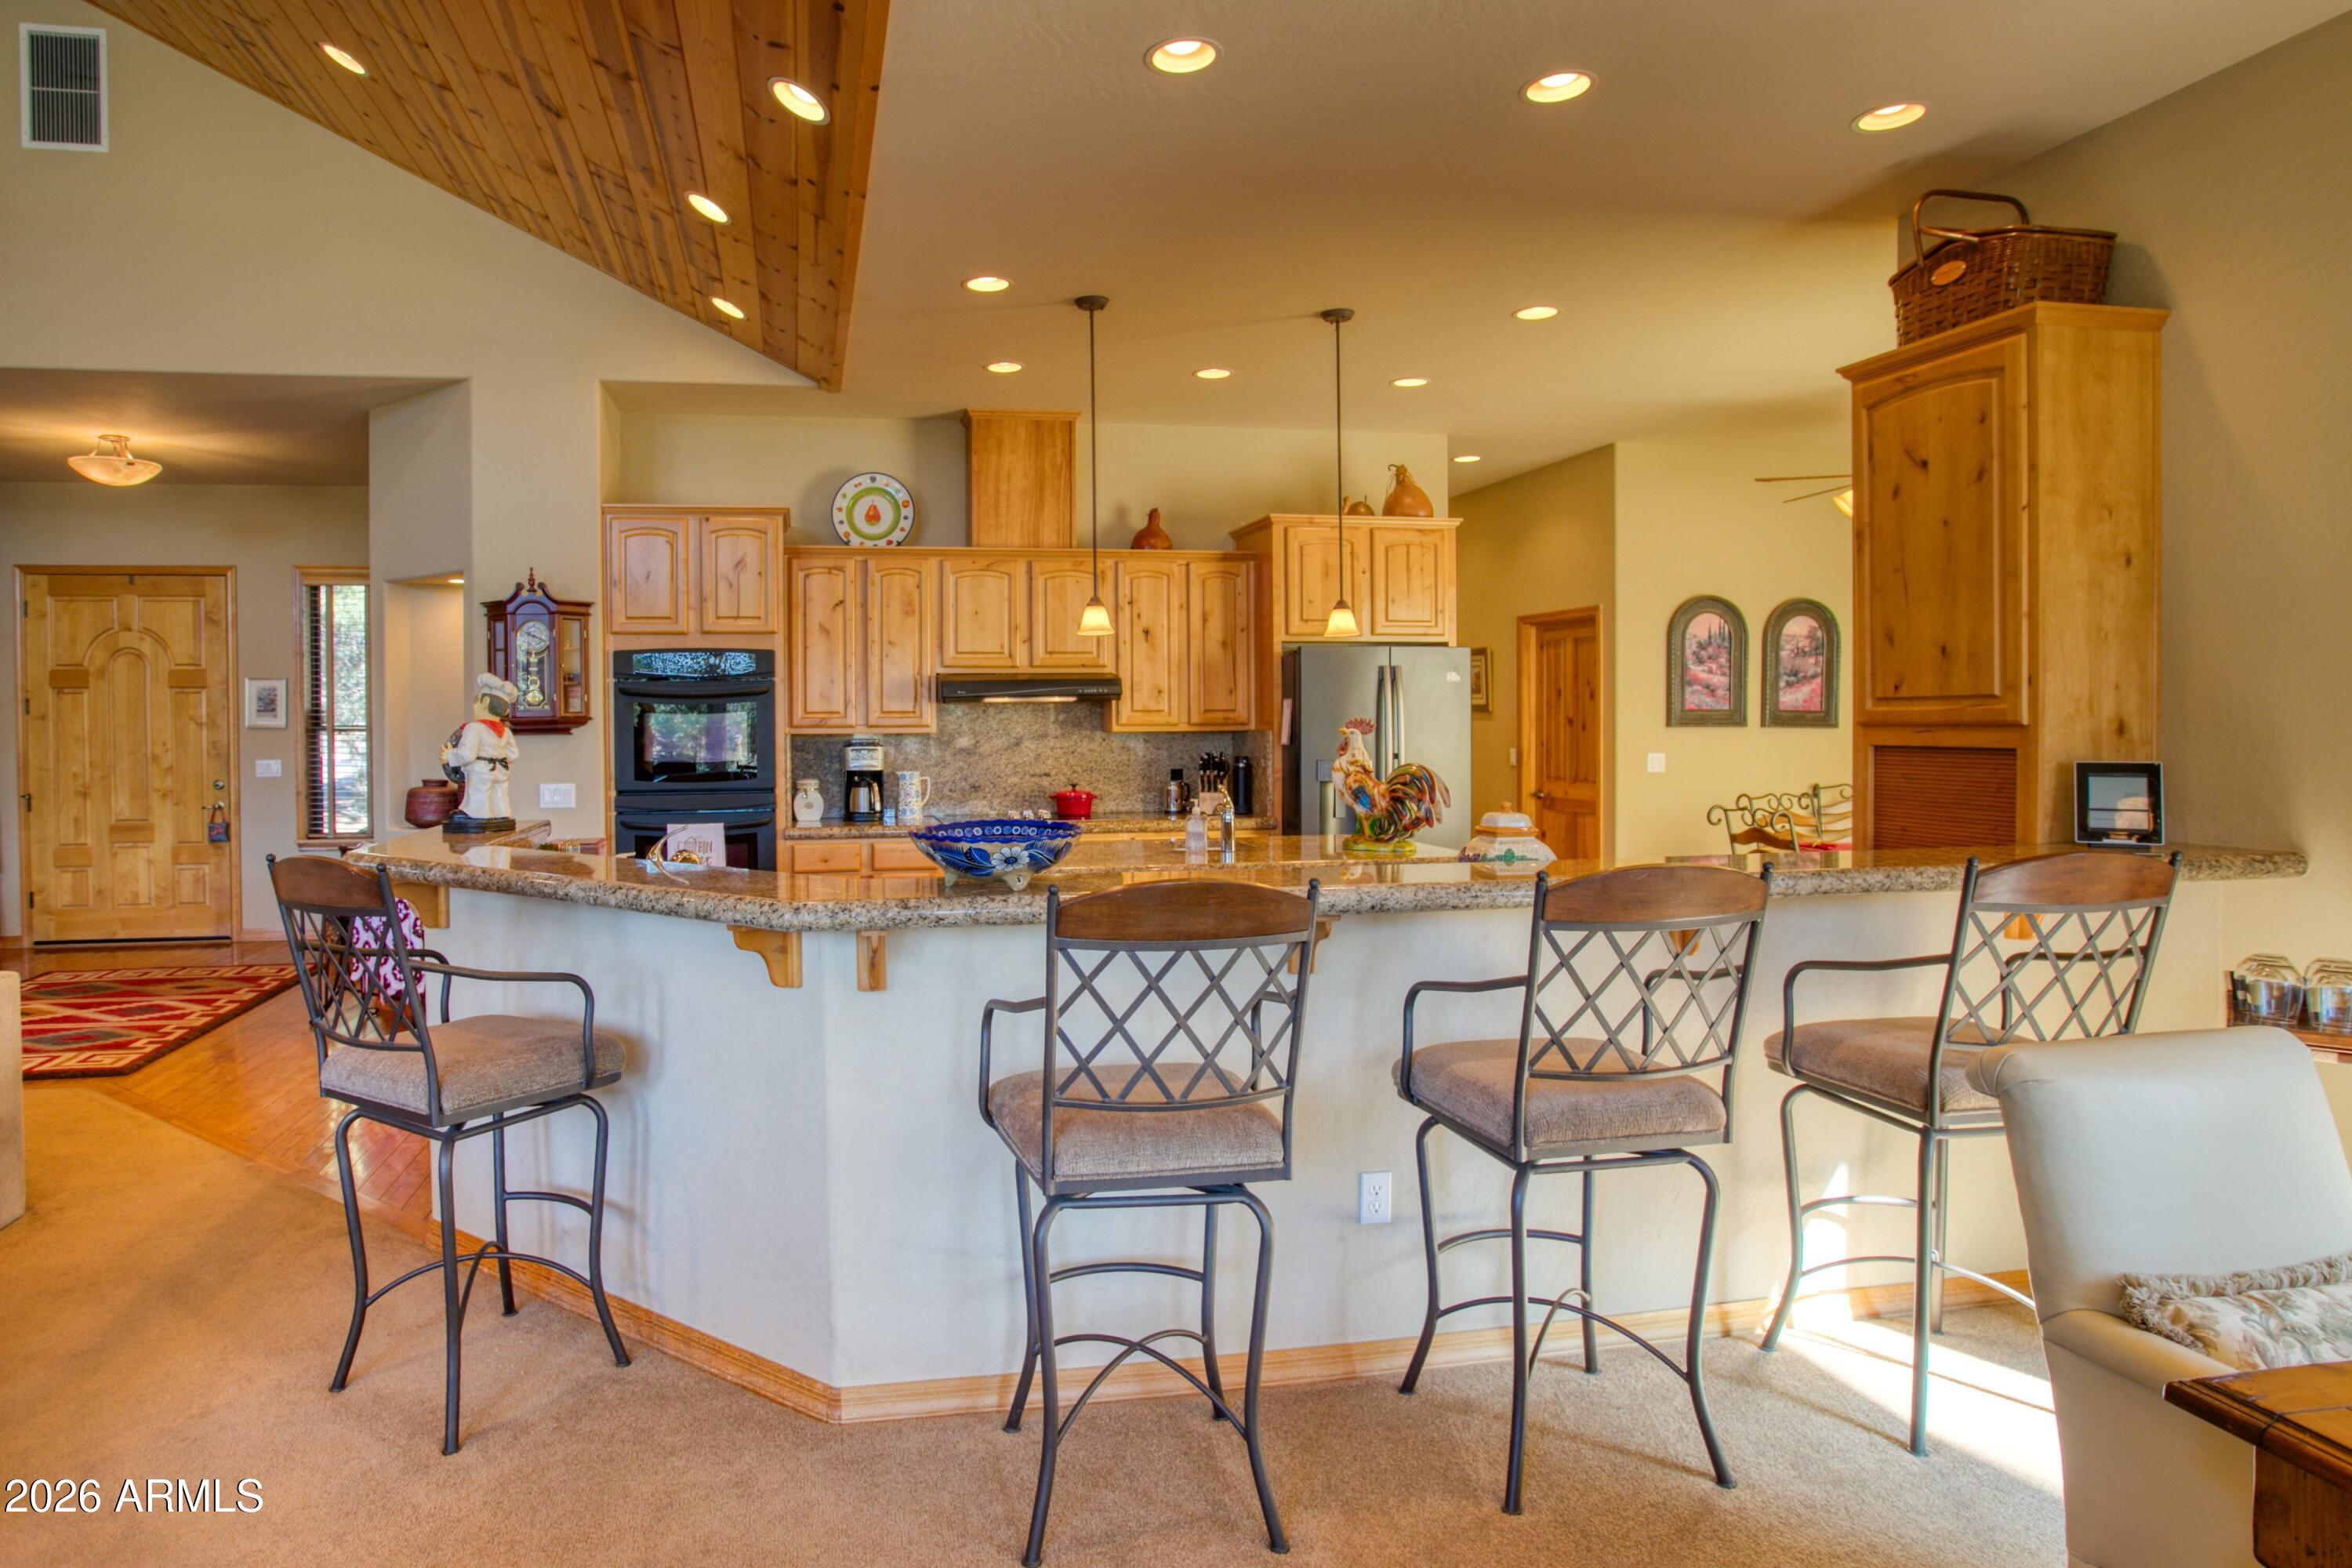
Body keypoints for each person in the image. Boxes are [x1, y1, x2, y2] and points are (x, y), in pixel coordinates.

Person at [441, 673, 521, 830]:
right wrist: (498, 758)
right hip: (501, 770)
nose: (474, 706)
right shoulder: (506, 731)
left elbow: (467, 755)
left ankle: (478, 815)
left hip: (481, 770)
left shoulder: (474, 728)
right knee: (499, 793)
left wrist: (449, 756)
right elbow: (513, 755)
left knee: (479, 793)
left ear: (485, 703)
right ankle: (502, 814)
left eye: (476, 701)